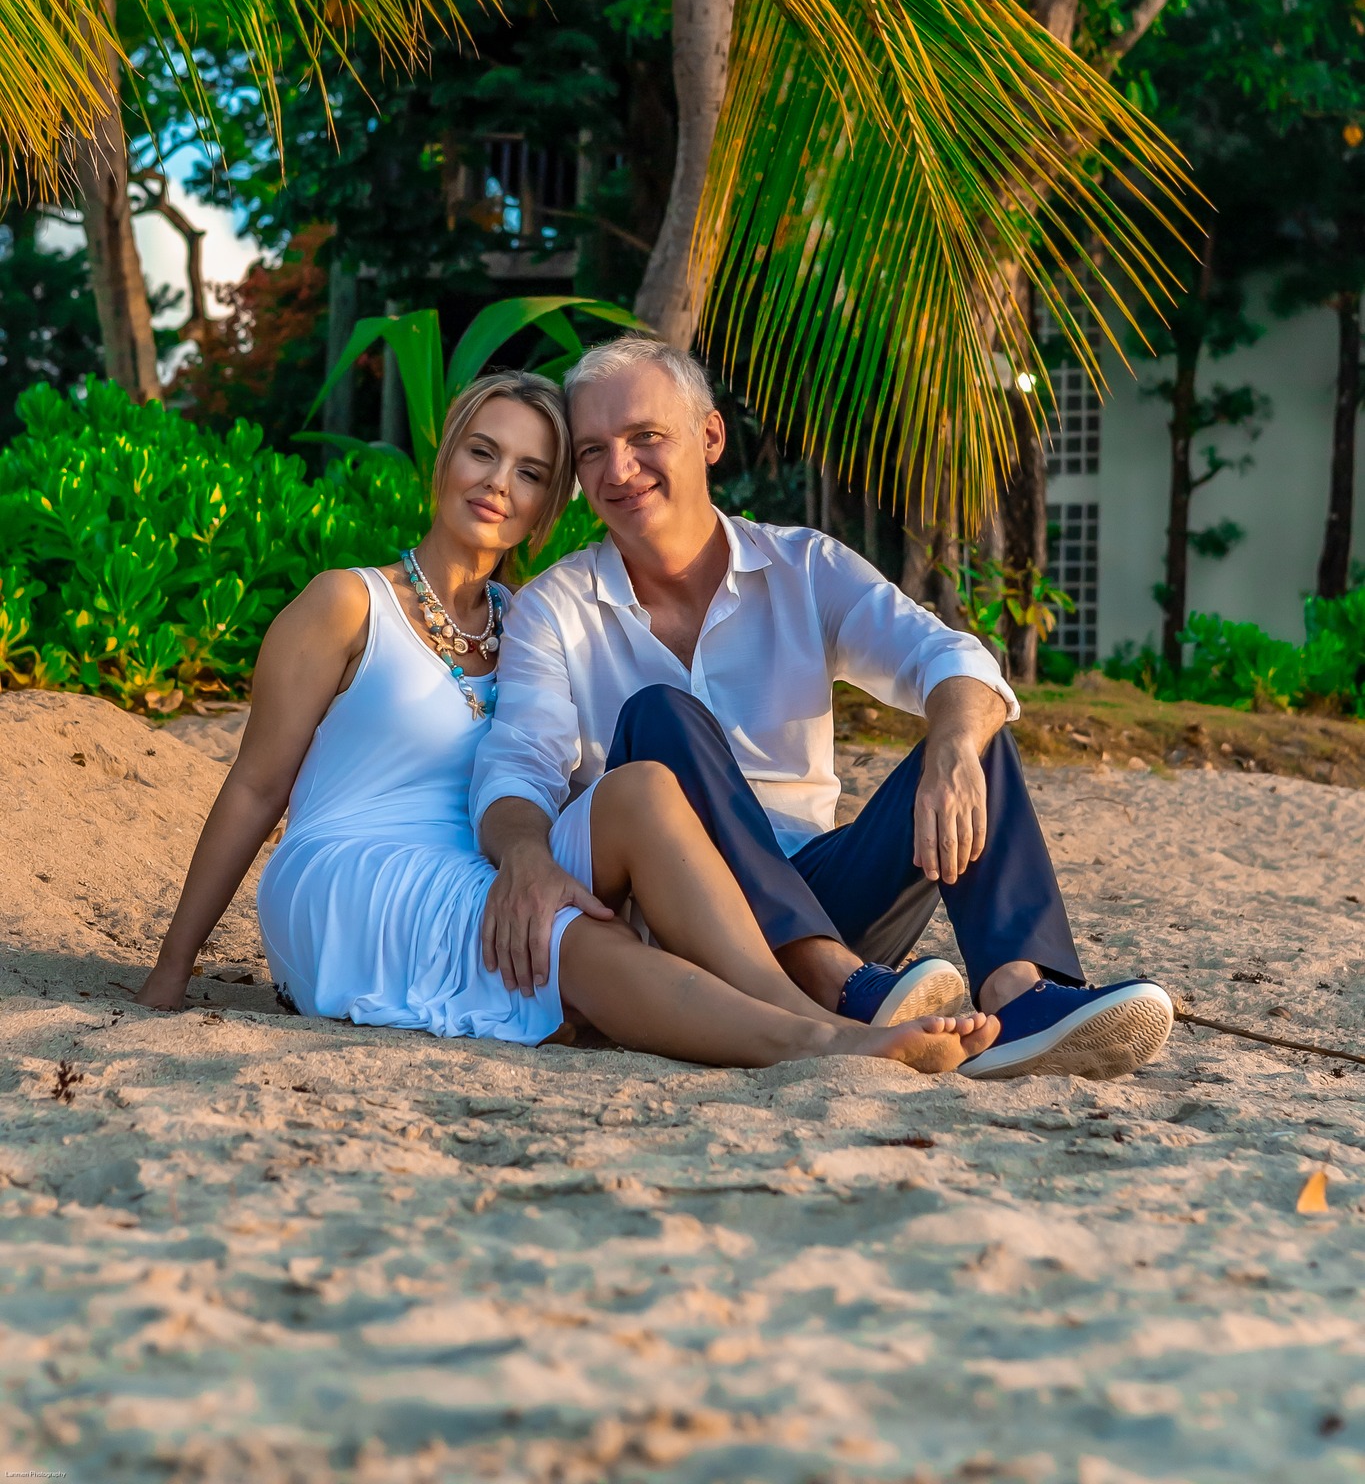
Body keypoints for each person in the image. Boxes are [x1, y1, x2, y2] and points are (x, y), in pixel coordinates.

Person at [133, 370, 998, 1075]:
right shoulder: (346, 604)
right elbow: (255, 788)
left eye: (530, 472)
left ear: (550, 503)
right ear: (445, 459)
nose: (496, 484)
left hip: (490, 858)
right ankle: (821, 1039)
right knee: (562, 931)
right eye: (481, 452)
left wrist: (549, 856)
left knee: (641, 790)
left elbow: (558, 774)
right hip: (357, 869)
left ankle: (803, 1004)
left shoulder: (536, 621)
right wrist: (172, 971)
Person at [470, 338, 1174, 1082]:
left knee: (976, 732)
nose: (619, 470)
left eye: (645, 436)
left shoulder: (803, 567)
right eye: (592, 451)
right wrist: (524, 856)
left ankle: (1018, 996)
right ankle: (826, 975)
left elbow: (947, 655)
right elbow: (517, 769)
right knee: (658, 716)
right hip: (688, 927)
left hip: (827, 897)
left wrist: (952, 746)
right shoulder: (555, 609)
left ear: (710, 436)